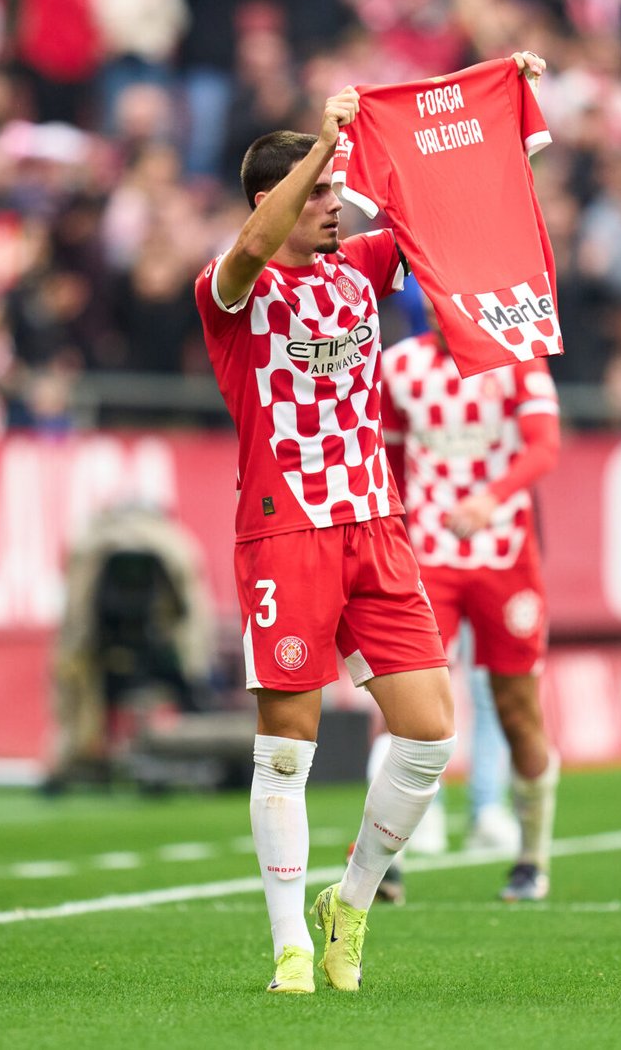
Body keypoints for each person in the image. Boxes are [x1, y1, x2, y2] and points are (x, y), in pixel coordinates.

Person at [191, 52, 544, 995]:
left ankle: (346, 904)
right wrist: (322, 144)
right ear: (273, 195)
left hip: (376, 527)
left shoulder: (366, 266)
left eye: (339, 188)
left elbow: (455, 201)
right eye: (319, 192)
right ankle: (289, 948)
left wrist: (501, 97)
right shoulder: (232, 286)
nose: (335, 204)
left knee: (429, 732)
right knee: (289, 747)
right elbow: (256, 245)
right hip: (285, 528)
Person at [378, 310, 562, 902]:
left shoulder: (515, 358)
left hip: (505, 556)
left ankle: (532, 858)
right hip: (430, 555)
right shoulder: (400, 366)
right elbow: (392, 461)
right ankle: (387, 859)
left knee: (515, 707)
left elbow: (544, 448)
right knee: (407, 698)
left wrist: (488, 501)